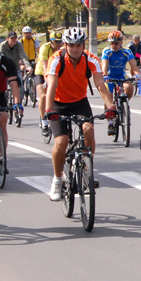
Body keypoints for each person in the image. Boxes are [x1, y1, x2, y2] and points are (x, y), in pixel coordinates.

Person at [45, 27, 116, 201]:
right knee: (62, 141)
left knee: (88, 131)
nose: (75, 49)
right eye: (71, 45)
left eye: (78, 45)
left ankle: (87, 169)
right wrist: (49, 109)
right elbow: (52, 85)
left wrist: (110, 106)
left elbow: (100, 84)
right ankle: (57, 179)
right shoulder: (56, 59)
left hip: (79, 102)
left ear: (83, 46)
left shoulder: (91, 59)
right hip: (58, 103)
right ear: (65, 45)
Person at [101, 30, 140, 135]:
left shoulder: (127, 51)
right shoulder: (107, 51)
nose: (114, 46)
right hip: (109, 76)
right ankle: (110, 122)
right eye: (112, 43)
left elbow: (133, 65)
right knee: (108, 97)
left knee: (129, 87)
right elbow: (104, 66)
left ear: (121, 42)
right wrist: (104, 75)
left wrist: (137, 75)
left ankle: (123, 104)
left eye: (116, 43)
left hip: (121, 75)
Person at [36, 30, 64, 136]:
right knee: (43, 95)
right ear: (51, 41)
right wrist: (47, 81)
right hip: (42, 72)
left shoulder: (62, 49)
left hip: (56, 73)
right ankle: (44, 121)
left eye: (60, 41)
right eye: (57, 42)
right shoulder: (45, 48)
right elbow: (45, 67)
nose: (59, 44)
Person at [0, 30, 32, 101]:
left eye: (15, 38)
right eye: (12, 38)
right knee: (3, 87)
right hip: (5, 68)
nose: (14, 40)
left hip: (15, 67)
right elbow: (0, 57)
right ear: (7, 39)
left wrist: (28, 66)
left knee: (20, 86)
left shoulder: (18, 44)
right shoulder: (3, 45)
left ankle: (19, 104)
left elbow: (23, 55)